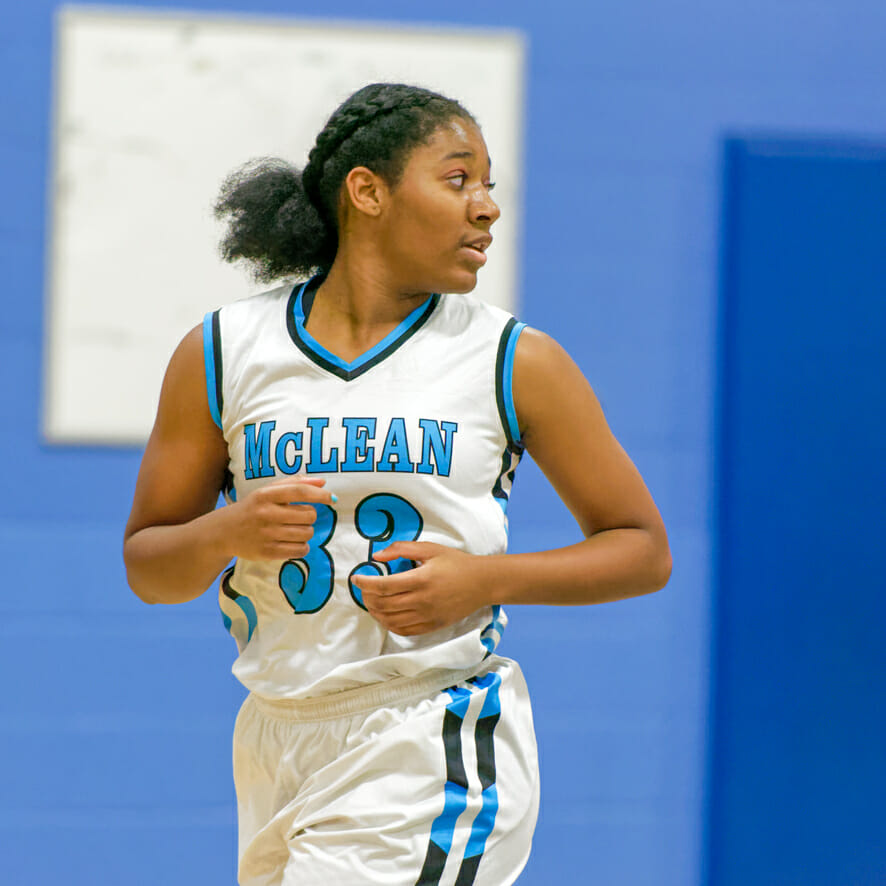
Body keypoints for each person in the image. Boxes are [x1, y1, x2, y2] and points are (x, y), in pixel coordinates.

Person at [123, 82, 671, 886]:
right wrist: (227, 533)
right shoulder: (223, 350)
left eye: (489, 186)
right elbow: (149, 567)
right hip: (277, 731)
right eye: (458, 180)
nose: (485, 207)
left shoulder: (514, 360)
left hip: (430, 731)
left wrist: (481, 580)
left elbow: (642, 550)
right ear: (368, 192)